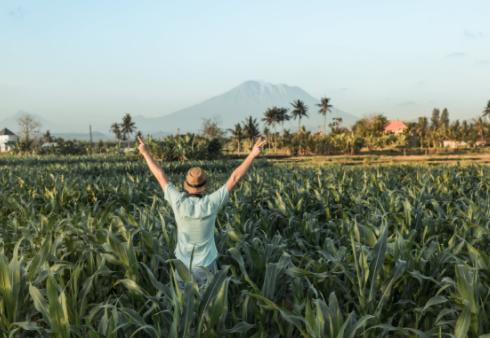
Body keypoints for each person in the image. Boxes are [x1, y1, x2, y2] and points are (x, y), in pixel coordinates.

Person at [138, 136, 267, 289]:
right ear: (204, 187)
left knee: (184, 308)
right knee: (207, 307)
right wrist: (252, 154)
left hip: (183, 267)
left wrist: (145, 153)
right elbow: (234, 178)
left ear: (186, 185)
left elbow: (159, 175)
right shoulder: (211, 203)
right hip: (207, 266)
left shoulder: (178, 201)